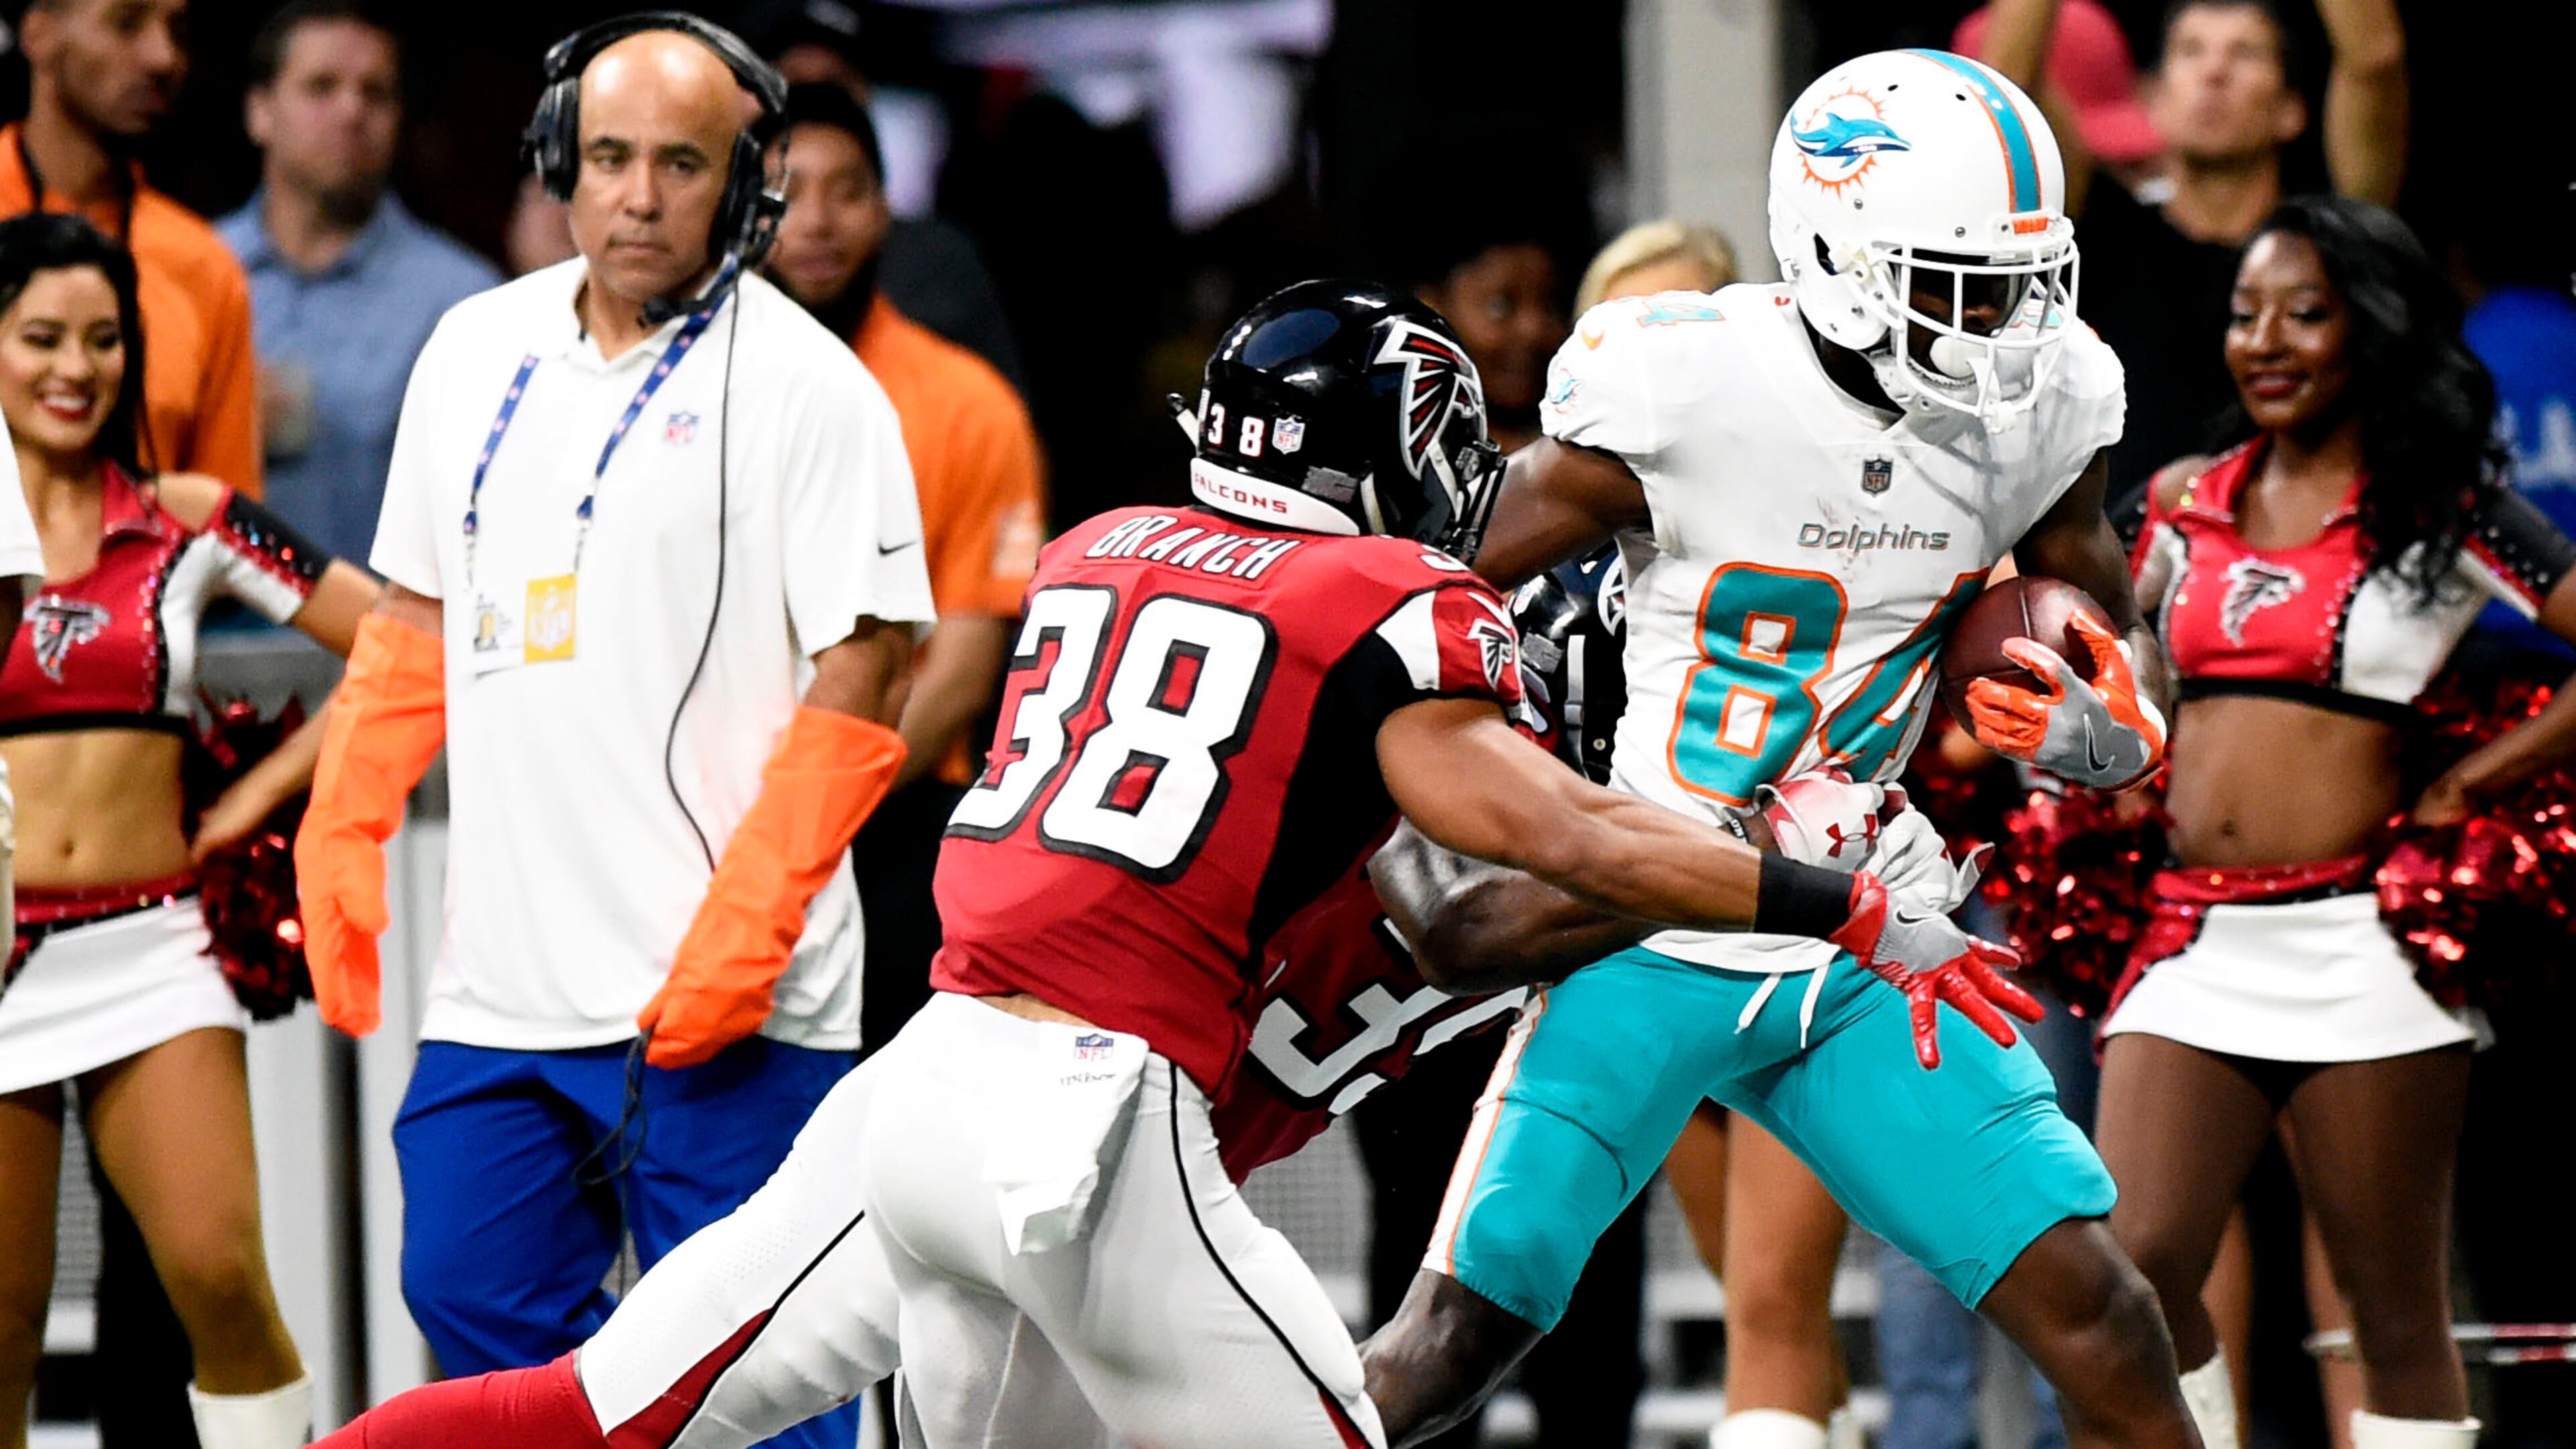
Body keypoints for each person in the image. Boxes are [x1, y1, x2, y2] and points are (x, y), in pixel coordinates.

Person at [301, 280, 2009, 1447]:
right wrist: (1838, 896)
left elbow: (1466, 891)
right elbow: (1537, 850)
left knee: (605, 1407)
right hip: (1091, 1135)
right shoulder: (1389, 616)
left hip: (928, 1082)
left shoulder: (1102, 546)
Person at [852, 277, 2025, 1449]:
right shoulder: (1457, 695)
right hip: (1111, 1115)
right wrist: (1775, 868)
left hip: (1162, 1130)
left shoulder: (1584, 748)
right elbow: (1463, 916)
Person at [1358, 50, 2201, 1449]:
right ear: (1838, 259)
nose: (2004, 328)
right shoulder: (1686, 384)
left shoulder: (2048, 405)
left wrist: (2111, 728)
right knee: (1448, 1345)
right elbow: (1411, 591)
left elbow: (2109, 635)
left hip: (1867, 931)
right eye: (1959, 286)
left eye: (2020, 285)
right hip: (1652, 910)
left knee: (2106, 1318)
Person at [287, 21, 931, 1449]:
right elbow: (413, 616)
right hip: (499, 992)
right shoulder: (471, 348)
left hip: (732, 1000)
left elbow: (871, 664)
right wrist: (345, 821)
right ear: (557, 165)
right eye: (610, 157)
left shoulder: (814, 387)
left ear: (745, 185)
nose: (638, 197)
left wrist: (753, 920)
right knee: (466, 1300)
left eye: (681, 164)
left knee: (763, 1387)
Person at [2106, 195, 2576, 1449]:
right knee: (2134, 1260)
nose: (2264, 341)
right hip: (2192, 937)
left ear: (2371, 329)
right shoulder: (2180, 500)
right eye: (2245, 314)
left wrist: (2480, 780)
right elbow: (2093, 638)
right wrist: (2110, 739)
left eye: (2304, 314)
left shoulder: (2446, 511)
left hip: (2365, 942)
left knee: (2393, 1310)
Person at [0, 212, 379, 1449]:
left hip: (153, 948)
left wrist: (264, 793)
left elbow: (403, 643)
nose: (77, 367)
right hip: (0, 958)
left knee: (220, 1277)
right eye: (42, 337)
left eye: (104, 339)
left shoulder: (192, 518)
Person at [1566, 218, 1871, 1449]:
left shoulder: (1850, 491)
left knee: (1771, 1306)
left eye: (1688, 314)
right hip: (1645, 938)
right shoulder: (1552, 530)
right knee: (1750, 1293)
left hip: (1801, 932)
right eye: (1630, 325)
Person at [762, 80, 1044, 1058]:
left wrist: (808, 811)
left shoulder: (972, 405)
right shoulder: (695, 396)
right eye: (788, 192)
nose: (818, 220)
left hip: (899, 817)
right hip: (710, 815)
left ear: (885, 210)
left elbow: (963, 672)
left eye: (847, 190)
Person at [1970, 0, 2408, 511]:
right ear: (2153, 99)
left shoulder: (2329, 243)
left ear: (2292, 108)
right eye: (2191, 51)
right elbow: (2007, 90)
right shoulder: (2099, 233)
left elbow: (2375, 61)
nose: (2214, 72)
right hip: (2117, 556)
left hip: (2295, 552)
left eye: (2246, 53)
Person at [218, 0, 503, 566]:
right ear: (259, 111)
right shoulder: (189, 272)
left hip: (382, 618)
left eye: (376, 93)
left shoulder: (464, 302)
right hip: (194, 616)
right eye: (321, 87)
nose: (352, 111)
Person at [1, 0, 262, 498]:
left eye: (177, 30)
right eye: (126, 23)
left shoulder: (204, 265)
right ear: (38, 34)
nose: (164, 58)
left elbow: (222, 524)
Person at [745, 0, 1026, 386]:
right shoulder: (695, 276)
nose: (817, 222)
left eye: (834, 85)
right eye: (788, 194)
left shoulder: (940, 266)